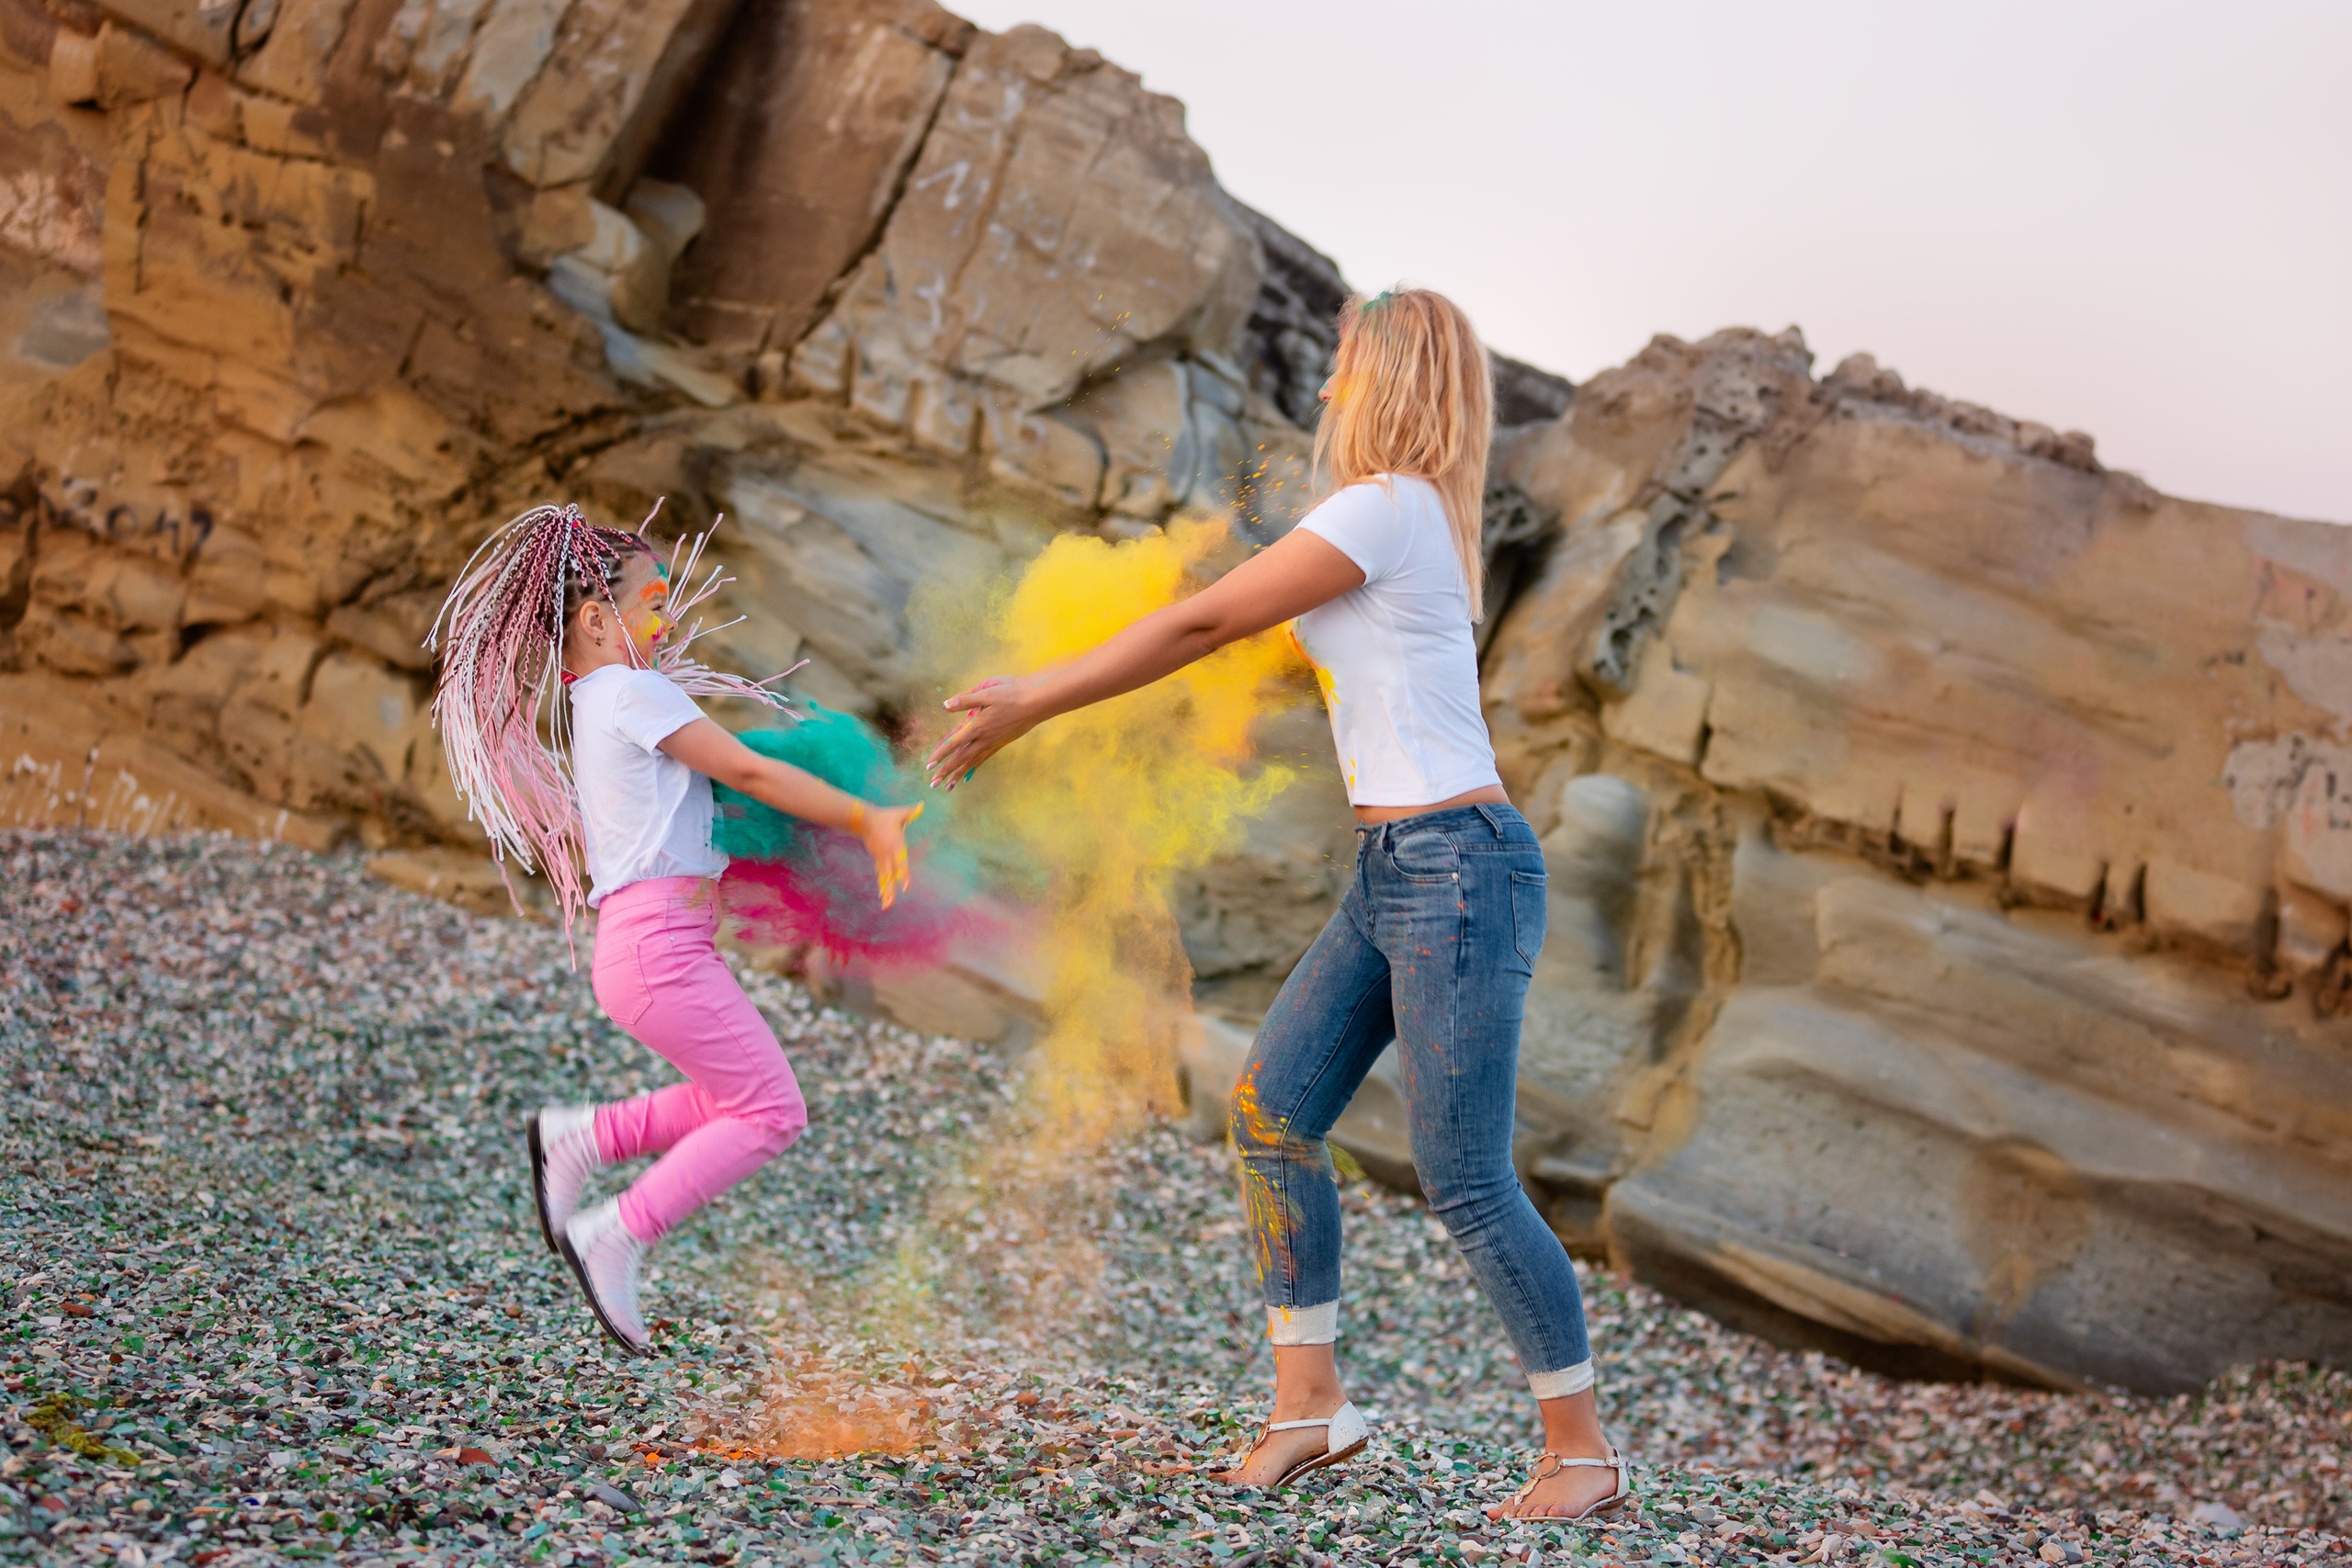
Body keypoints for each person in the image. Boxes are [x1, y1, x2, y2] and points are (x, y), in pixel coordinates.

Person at [923, 290, 1628, 1520]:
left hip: (1453, 866)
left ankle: (1581, 1453)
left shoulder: (1385, 507)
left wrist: (1037, 695)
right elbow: (1231, 623)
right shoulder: (1405, 519)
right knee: (1269, 1111)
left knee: (1463, 1176)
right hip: (1399, 869)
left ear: (1392, 378)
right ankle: (1310, 1404)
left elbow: (1205, 619)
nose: (1322, 389)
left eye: (1342, 366)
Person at [429, 504, 921, 1353]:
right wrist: (865, 816)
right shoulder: (632, 691)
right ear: (594, 617)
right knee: (772, 1110)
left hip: (647, 948)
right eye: (652, 602)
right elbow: (746, 767)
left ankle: (579, 1137)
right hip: (657, 949)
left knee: (730, 1098)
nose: (665, 619)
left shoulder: (598, 703)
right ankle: (616, 1229)